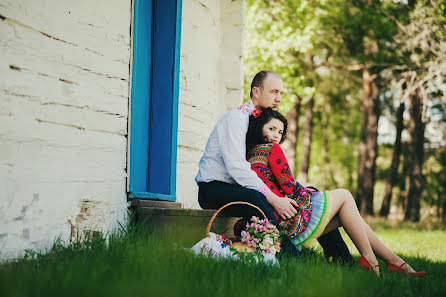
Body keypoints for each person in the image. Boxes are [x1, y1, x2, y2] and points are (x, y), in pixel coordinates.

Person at [245, 107, 426, 276]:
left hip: (273, 223)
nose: (276, 135)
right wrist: (307, 190)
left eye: (280, 132)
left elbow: (272, 183)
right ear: (259, 127)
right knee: (345, 195)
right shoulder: (272, 149)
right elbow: (288, 186)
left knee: (347, 216)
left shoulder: (251, 154)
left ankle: (395, 262)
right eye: (271, 129)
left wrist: (299, 187)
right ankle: (372, 261)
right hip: (288, 220)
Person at [195, 70, 352, 261]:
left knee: (310, 194)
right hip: (213, 190)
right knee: (256, 196)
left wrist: (295, 187)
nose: (278, 98)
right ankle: (291, 257)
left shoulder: (258, 123)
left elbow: (263, 171)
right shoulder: (237, 119)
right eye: (274, 92)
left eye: (281, 93)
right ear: (256, 92)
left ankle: (342, 258)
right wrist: (274, 198)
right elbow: (237, 168)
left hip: (238, 187)